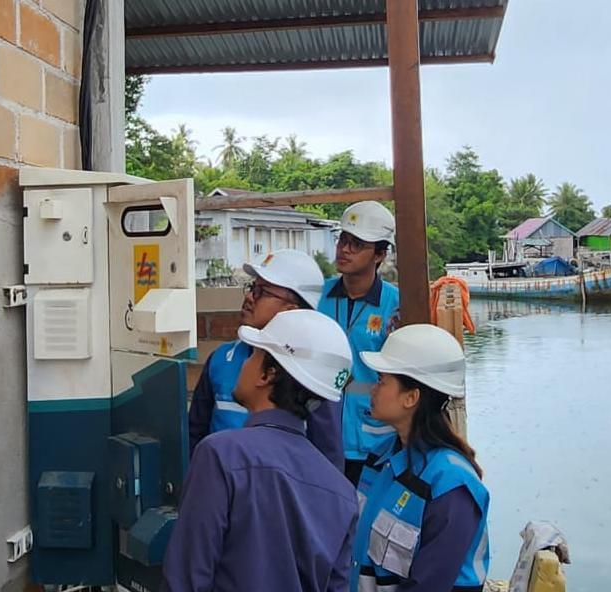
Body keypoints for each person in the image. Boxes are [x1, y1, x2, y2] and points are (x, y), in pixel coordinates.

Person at [162, 309, 358, 592]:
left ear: (267, 375)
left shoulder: (221, 455)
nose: (244, 363)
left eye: (253, 354)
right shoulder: (343, 492)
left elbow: (186, 578)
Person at [351, 324, 490, 592]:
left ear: (411, 397)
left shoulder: (451, 486)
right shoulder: (380, 458)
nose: (373, 389)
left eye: (382, 380)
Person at [188, 249, 344, 469]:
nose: (249, 297)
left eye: (262, 292)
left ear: (290, 310)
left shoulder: (311, 374)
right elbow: (194, 435)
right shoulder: (221, 360)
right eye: (252, 287)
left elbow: (328, 460)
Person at [318, 201, 400, 484]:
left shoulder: (395, 305)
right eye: (343, 240)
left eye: (357, 243)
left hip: (376, 443)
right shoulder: (318, 296)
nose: (345, 249)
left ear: (379, 254)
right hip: (321, 436)